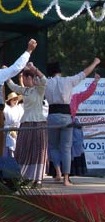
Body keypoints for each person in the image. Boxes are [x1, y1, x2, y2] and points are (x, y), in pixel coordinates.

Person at [45, 58, 100, 186]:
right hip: (67, 122)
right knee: (65, 149)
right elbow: (84, 77)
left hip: (60, 120)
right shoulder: (68, 85)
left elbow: (87, 93)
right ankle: (64, 177)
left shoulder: (73, 96)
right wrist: (95, 65)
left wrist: (95, 82)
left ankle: (60, 172)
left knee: (60, 148)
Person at [6, 62, 47, 188]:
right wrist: (6, 73)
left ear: (31, 78)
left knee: (38, 151)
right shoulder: (25, 91)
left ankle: (38, 179)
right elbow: (12, 86)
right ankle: (25, 176)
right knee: (22, 149)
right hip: (25, 123)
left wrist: (35, 69)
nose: (23, 80)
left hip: (39, 123)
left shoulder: (39, 89)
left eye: (25, 77)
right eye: (23, 77)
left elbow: (44, 79)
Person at [70, 73, 100, 176]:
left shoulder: (75, 97)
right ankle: (61, 174)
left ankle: (72, 173)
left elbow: (87, 93)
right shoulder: (58, 98)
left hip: (73, 126)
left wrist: (95, 82)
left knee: (76, 148)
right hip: (62, 126)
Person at [3, 92, 24, 157]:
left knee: (18, 149)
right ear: (10, 101)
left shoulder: (20, 107)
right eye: (13, 99)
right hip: (8, 131)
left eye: (16, 99)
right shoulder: (6, 108)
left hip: (18, 131)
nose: (16, 101)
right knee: (8, 150)